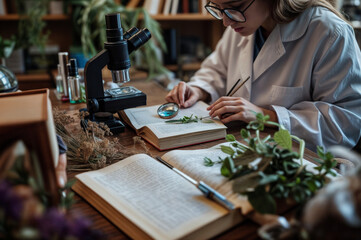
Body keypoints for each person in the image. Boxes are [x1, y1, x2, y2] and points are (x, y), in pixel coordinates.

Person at [165, 0, 361, 152]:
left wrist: (266, 116)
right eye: (217, 8)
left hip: (301, 161)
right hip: (244, 146)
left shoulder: (330, 32)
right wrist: (199, 89)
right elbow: (217, 70)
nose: (225, 21)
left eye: (235, 6)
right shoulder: (240, 24)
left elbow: (346, 123)